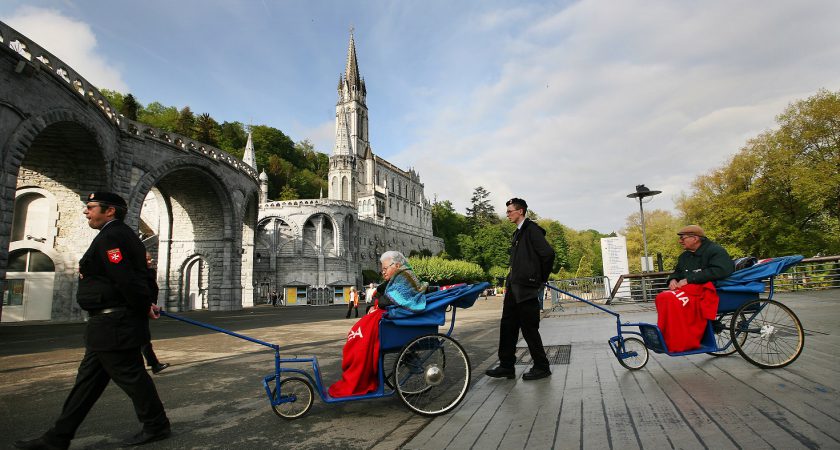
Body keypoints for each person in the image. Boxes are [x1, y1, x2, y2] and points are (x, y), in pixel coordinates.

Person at [14, 192, 171, 450]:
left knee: (131, 377)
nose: (86, 212)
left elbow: (125, 278)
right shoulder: (121, 234)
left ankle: (156, 425)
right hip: (110, 324)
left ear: (109, 211)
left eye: (91, 207)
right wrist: (144, 304)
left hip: (114, 323)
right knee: (88, 383)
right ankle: (58, 437)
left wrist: (143, 305)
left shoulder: (112, 236)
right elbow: (136, 276)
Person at [329, 251, 427, 397]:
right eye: (382, 269)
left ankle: (358, 378)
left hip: (393, 321)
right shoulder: (399, 275)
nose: (383, 272)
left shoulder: (404, 276)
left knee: (359, 340)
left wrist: (378, 304)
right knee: (358, 334)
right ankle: (356, 373)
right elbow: (383, 295)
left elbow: (389, 300)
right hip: (388, 318)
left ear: (397, 265)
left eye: (385, 268)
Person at [486, 198, 555, 381]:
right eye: (507, 211)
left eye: (510, 211)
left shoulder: (531, 230)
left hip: (526, 288)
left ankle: (542, 367)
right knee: (507, 327)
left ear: (521, 211)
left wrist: (540, 279)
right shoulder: (517, 233)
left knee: (529, 329)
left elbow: (548, 254)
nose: (507, 214)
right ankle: (506, 366)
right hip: (514, 287)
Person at [656, 225, 735, 352]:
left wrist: (689, 279)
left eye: (683, 238)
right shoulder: (684, 256)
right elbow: (677, 272)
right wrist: (672, 280)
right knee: (662, 297)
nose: (680, 241)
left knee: (669, 299)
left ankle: (682, 341)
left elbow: (721, 270)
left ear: (695, 238)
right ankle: (669, 337)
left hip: (706, 292)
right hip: (688, 291)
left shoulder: (715, 251)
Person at [142, 252, 169, 375]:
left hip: (146, 306)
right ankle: (154, 364)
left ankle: (154, 364)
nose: (150, 261)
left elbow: (151, 290)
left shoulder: (149, 273)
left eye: (150, 259)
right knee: (142, 338)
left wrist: (152, 304)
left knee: (142, 339)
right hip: (137, 309)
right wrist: (148, 304)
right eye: (147, 259)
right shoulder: (135, 274)